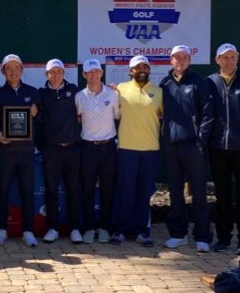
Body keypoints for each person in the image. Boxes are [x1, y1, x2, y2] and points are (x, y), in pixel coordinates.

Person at [160, 45, 213, 253]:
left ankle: (202, 236)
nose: (180, 60)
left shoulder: (199, 82)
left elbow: (208, 115)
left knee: (199, 193)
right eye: (176, 57)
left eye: (184, 57)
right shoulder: (164, 84)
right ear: (170, 60)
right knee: (175, 192)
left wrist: (200, 141)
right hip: (172, 146)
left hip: (193, 146)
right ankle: (178, 234)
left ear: (189, 60)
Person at [0, 54, 40, 247]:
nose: (13, 72)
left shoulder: (33, 93)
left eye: (16, 68)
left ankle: (28, 230)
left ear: (22, 70)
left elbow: (41, 119)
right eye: (8, 68)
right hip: (6, 151)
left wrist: (36, 114)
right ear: (3, 72)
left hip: (26, 151)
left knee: (27, 191)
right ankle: (1, 230)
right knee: (3, 191)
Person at [110, 55, 162, 246]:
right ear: (130, 71)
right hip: (126, 149)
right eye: (137, 67)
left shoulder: (159, 92)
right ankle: (120, 230)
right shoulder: (120, 89)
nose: (141, 69)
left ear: (149, 70)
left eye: (144, 67)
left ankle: (142, 231)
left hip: (150, 150)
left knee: (144, 191)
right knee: (124, 190)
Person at [207, 43, 240, 255]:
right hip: (218, 149)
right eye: (225, 57)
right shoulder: (210, 82)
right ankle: (223, 238)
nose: (229, 61)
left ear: (238, 58)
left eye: (233, 57)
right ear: (217, 60)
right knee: (222, 195)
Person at [38, 59, 83, 244]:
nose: (56, 74)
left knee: (74, 189)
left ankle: (75, 229)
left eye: (59, 71)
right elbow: (36, 119)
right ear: (47, 74)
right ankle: (53, 228)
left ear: (64, 73)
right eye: (52, 72)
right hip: (51, 150)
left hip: (73, 149)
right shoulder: (40, 94)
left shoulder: (75, 91)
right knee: (51, 190)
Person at [75, 58, 119, 244]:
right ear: (84, 75)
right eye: (90, 72)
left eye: (97, 71)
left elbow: (117, 116)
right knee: (87, 189)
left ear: (101, 73)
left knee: (108, 190)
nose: (93, 75)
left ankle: (105, 227)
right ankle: (89, 227)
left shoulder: (113, 94)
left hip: (108, 147)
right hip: (88, 148)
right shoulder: (79, 96)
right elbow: (78, 118)